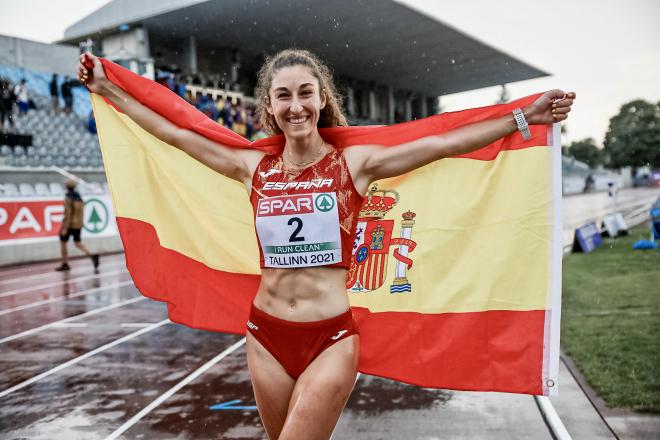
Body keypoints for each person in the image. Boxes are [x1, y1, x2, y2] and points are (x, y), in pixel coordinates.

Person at [78, 49, 575, 439]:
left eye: (305, 93)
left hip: (332, 338)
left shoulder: (354, 166)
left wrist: (522, 118)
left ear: (321, 99)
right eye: (283, 96)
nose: (296, 105)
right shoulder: (253, 169)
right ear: (270, 107)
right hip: (265, 335)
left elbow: (444, 144)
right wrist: (107, 89)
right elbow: (173, 134)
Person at [55, 179, 100, 272]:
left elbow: (68, 213)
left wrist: (65, 228)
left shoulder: (68, 198)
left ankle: (65, 263)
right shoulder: (79, 197)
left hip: (70, 224)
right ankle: (91, 255)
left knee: (63, 242)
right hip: (78, 224)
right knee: (78, 243)